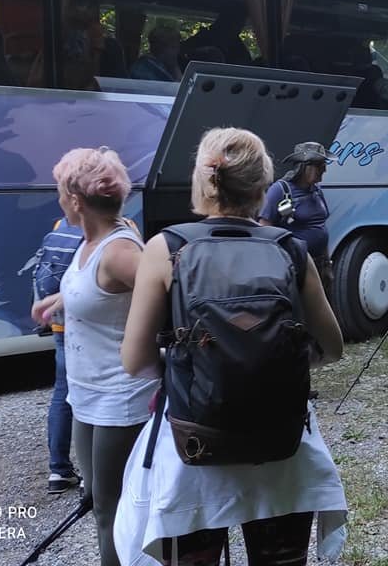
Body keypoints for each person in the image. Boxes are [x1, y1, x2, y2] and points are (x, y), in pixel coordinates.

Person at [114, 127, 348, 565]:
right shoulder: (291, 249)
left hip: (194, 450)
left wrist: (191, 363)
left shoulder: (167, 248)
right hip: (282, 448)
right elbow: (332, 348)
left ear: (203, 181)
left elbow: (134, 360)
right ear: (263, 185)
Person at [29, 147, 152, 566]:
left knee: (112, 509)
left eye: (60, 191)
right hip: (86, 393)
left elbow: (167, 290)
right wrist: (61, 299)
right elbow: (98, 288)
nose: (58, 199)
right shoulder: (91, 242)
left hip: (121, 394)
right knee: (97, 500)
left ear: (76, 200)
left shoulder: (120, 250)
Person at [33, 216, 85, 495]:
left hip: (60, 324)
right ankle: (91, 473)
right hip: (89, 326)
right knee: (94, 395)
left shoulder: (59, 226)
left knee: (62, 393)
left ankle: (58, 470)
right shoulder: (121, 227)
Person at [259, 141, 335, 292]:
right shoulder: (280, 190)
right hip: (296, 266)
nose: (324, 170)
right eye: (320, 165)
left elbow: (321, 227)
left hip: (319, 264)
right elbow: (264, 228)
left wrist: (327, 264)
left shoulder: (317, 191)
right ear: (305, 167)